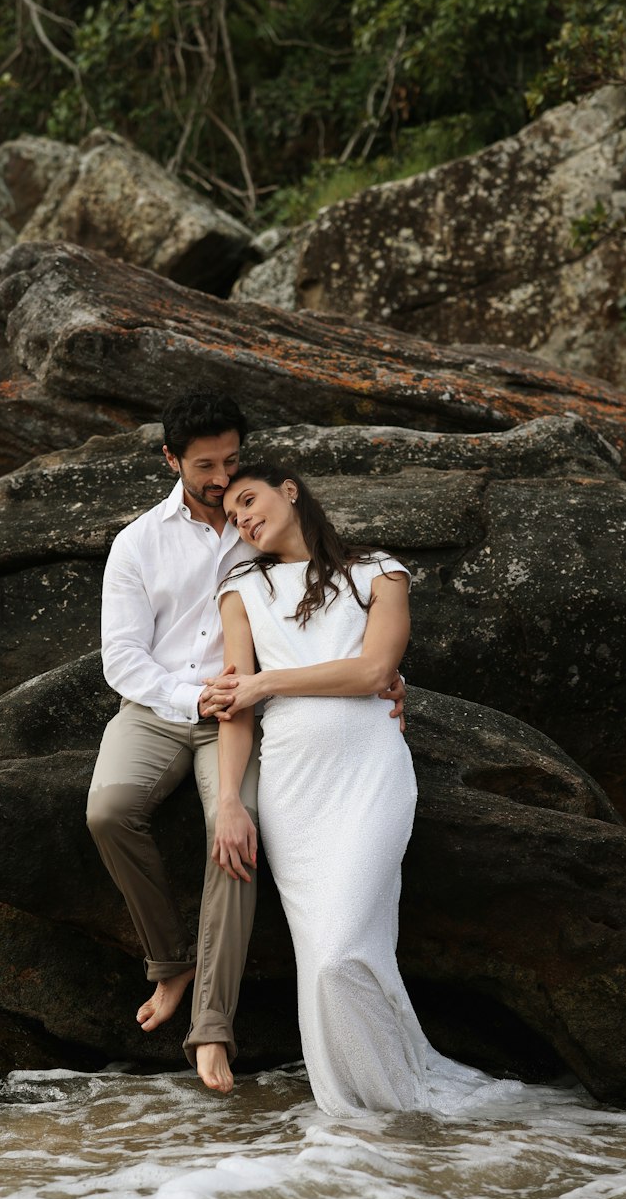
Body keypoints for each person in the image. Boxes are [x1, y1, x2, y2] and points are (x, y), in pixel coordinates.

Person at [210, 461, 507, 1117]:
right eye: (232, 514)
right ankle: (364, 1117)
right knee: (323, 959)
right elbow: (234, 702)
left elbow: (376, 668)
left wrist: (269, 682)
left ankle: (392, 1100)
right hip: (292, 787)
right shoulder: (241, 588)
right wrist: (231, 798)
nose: (244, 517)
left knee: (345, 944)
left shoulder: (379, 570)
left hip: (371, 774)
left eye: (250, 499)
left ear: (291, 489)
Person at [85, 390, 258, 1094]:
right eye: (206, 465)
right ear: (171, 459)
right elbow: (121, 658)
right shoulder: (138, 542)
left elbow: (325, 586)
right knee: (107, 808)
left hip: (238, 716)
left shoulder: (262, 520)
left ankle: (212, 1026)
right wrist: (192, 695)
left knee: (234, 836)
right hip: (157, 705)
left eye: (233, 460)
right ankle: (170, 962)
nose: (223, 479)